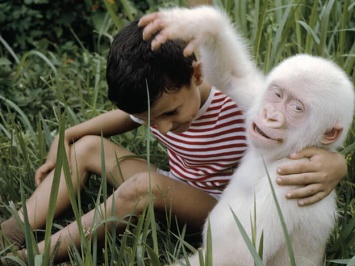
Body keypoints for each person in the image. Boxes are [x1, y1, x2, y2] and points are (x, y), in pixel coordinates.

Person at [0, 19, 347, 264]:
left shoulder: (242, 101)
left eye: (171, 114)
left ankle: (35, 257)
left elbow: (294, 132)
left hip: (220, 206)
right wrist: (69, 134)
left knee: (143, 186)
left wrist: (337, 162)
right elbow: (127, 117)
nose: (162, 129)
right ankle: (12, 232)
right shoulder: (160, 100)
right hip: (177, 184)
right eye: (151, 120)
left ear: (197, 75)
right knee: (89, 147)